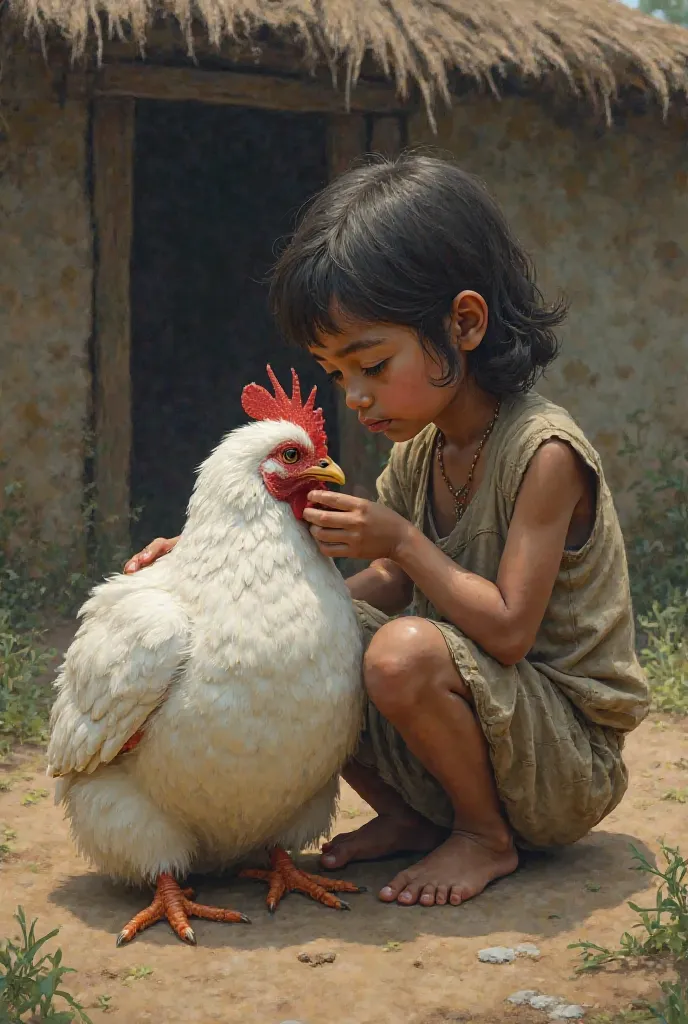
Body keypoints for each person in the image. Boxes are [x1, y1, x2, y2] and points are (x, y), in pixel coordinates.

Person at [124, 154, 648, 910]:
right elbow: (367, 592)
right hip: (476, 737)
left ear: (463, 323)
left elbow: (505, 632)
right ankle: (405, 816)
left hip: (560, 758)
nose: (358, 397)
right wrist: (221, 575)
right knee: (319, 633)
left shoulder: (545, 454)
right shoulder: (420, 453)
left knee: (398, 650)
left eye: (371, 362)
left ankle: (483, 837)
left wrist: (401, 539)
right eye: (339, 376)